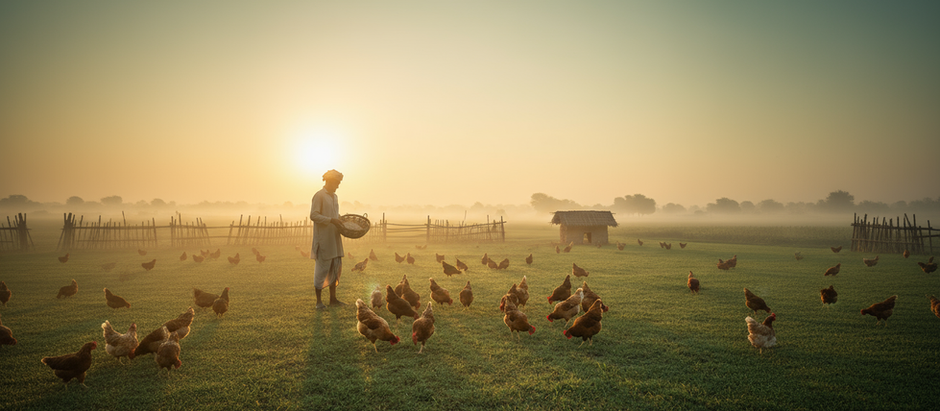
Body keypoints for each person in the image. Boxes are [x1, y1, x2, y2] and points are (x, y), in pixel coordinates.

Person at [309, 169, 346, 310]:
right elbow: (314, 215)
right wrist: (331, 220)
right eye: (336, 183)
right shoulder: (319, 196)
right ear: (330, 181)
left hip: (334, 238)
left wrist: (339, 219)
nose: (338, 186)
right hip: (324, 239)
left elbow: (334, 214)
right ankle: (318, 302)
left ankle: (333, 299)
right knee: (321, 269)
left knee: (334, 268)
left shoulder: (334, 197)